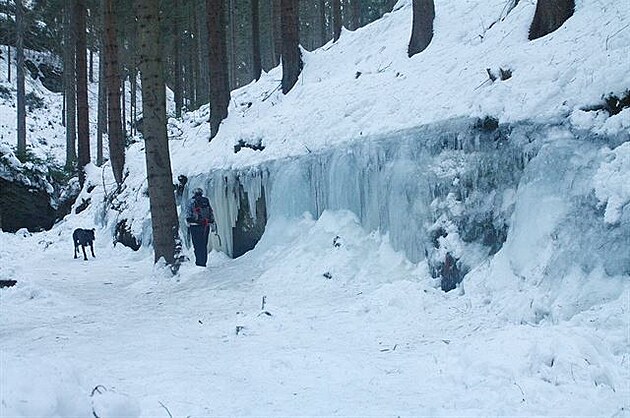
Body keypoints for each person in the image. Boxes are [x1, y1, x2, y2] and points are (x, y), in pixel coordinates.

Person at [186, 188, 215, 267]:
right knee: (203, 245)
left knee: (197, 245)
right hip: (205, 226)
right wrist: (210, 222)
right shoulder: (206, 200)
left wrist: (194, 221)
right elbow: (211, 213)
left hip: (195, 226)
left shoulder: (191, 202)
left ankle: (199, 263)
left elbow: (188, 216)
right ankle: (204, 262)